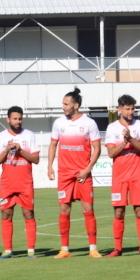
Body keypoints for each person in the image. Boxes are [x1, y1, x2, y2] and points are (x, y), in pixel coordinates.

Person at [48, 88, 102, 258]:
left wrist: (87, 169)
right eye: (63, 103)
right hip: (64, 174)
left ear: (75, 105)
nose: (63, 107)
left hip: (83, 174)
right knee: (64, 209)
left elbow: (97, 148)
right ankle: (65, 249)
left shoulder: (89, 123)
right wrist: (50, 166)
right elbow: (53, 145)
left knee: (88, 209)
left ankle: (92, 248)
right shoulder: (58, 123)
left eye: (66, 104)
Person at [105, 95, 140, 257]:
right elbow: (111, 153)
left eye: (133, 109)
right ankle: (117, 248)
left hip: (137, 175)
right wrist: (124, 143)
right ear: (119, 110)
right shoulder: (112, 128)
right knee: (119, 212)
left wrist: (131, 138)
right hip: (119, 176)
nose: (131, 112)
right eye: (127, 109)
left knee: (139, 210)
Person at [0, 106, 40, 259]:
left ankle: (31, 250)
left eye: (20, 118)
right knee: (6, 214)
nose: (18, 121)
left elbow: (36, 160)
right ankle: (7, 250)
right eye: (15, 118)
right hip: (7, 183)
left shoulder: (29, 135)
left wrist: (20, 151)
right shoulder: (1, 136)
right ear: (8, 119)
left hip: (25, 182)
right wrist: (7, 150)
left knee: (28, 213)